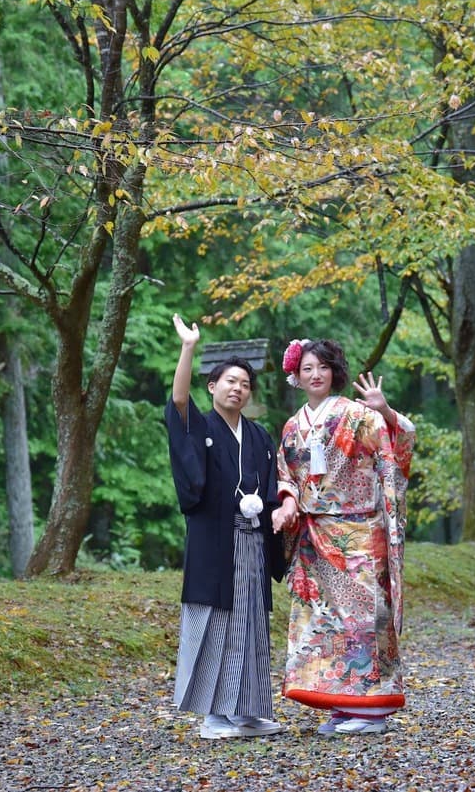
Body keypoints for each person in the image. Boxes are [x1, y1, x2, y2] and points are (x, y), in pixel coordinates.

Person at [270, 337, 415, 736]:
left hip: (360, 532)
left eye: (323, 367)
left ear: (334, 372)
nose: (315, 375)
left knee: (363, 618)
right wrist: (287, 501)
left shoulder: (359, 415)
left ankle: (371, 708)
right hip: (315, 535)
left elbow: (396, 450)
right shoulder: (293, 426)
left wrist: (384, 410)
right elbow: (286, 475)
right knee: (323, 620)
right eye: (307, 369)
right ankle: (342, 702)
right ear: (297, 377)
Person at [166, 314, 285, 740]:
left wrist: (274, 511)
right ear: (212, 386)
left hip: (252, 540)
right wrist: (188, 348)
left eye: (245, 384)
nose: (238, 388)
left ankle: (248, 711)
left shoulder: (259, 436)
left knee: (250, 623)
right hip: (215, 542)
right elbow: (179, 401)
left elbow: (271, 487)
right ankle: (214, 716)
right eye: (230, 381)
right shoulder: (200, 427)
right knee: (215, 621)